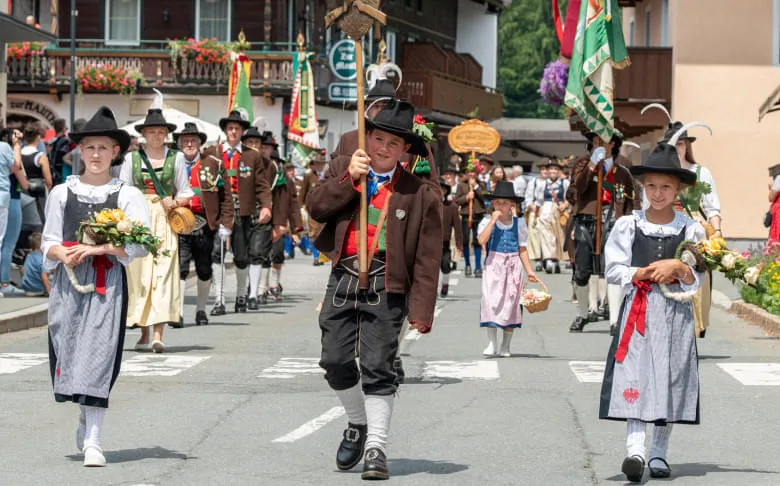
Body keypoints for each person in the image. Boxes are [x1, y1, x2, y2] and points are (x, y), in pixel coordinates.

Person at [307, 100, 442, 480]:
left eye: (393, 144)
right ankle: (356, 422)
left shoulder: (420, 193)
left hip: (388, 281)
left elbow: (428, 259)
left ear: (404, 151)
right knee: (334, 361)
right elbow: (316, 209)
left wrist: (421, 312)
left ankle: (376, 447)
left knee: (379, 367)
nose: (383, 148)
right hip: (343, 277)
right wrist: (349, 178)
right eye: (378, 138)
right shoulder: (345, 168)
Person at [43, 106, 150, 467]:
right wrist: (64, 253)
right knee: (69, 350)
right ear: (80, 151)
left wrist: (101, 247)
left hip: (106, 283)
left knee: (99, 355)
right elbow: (48, 242)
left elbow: (138, 245)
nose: (96, 155)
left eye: (103, 148)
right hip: (68, 283)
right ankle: (85, 416)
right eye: (90, 148)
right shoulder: (61, 192)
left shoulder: (127, 195)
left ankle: (94, 439)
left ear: (115, 152)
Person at [599, 129, 705, 483]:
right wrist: (642, 272)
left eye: (666, 188)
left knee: (670, 379)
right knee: (636, 375)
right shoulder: (630, 225)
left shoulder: (691, 230)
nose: (658, 194)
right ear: (643, 189)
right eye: (652, 187)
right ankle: (636, 451)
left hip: (675, 313)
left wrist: (680, 268)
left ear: (678, 191)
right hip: (640, 311)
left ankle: (659, 453)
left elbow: (698, 278)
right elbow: (612, 269)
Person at [119, 109, 193, 352]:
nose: (156, 136)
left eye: (161, 132)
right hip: (139, 219)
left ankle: (158, 333)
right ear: (143, 135)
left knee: (164, 272)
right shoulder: (132, 159)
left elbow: (186, 191)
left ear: (166, 134)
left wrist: (176, 201)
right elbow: (123, 190)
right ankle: (143, 331)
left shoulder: (177, 158)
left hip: (165, 219)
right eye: (152, 132)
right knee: (140, 273)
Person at [201, 112, 273, 315]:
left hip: (242, 211)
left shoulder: (252, 155)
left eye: (237, 129)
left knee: (241, 256)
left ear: (242, 131)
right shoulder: (212, 153)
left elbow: (262, 185)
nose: (233, 132)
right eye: (230, 128)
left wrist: (266, 205)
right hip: (218, 211)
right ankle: (219, 299)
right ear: (225, 130)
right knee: (217, 253)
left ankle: (241, 296)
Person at [570, 131, 636, 333]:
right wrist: (592, 165)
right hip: (586, 220)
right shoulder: (582, 165)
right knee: (582, 272)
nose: (598, 143)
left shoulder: (622, 172)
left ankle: (615, 320)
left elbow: (630, 203)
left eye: (603, 140)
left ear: (613, 143)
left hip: (613, 222)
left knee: (613, 269)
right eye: (595, 139)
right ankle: (582, 313)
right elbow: (577, 189)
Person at [663, 121, 722, 339]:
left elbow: (711, 205)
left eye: (680, 143)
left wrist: (717, 232)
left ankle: (692, 328)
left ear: (687, 146)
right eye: (672, 144)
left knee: (693, 278)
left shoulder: (700, 172)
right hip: (666, 227)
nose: (677, 148)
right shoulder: (662, 173)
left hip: (694, 230)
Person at [175, 122, 234, 326]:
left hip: (205, 223)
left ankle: (200, 310)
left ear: (200, 143)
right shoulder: (172, 163)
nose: (189, 143)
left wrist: (226, 223)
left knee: (204, 269)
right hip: (179, 222)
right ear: (180, 143)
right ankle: (178, 312)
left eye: (193, 140)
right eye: (185, 140)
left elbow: (226, 196)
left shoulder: (214, 164)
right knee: (180, 268)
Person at [477, 181, 539, 357]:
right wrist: (493, 220)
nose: (500, 206)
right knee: (490, 301)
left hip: (512, 265)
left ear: (512, 204)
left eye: (504, 202)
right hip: (494, 264)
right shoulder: (487, 221)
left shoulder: (519, 223)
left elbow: (522, 249)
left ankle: (506, 345)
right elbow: (482, 240)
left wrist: (530, 271)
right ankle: (491, 343)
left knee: (511, 304)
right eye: (497, 202)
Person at [0, 128, 29, 296]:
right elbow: (22, 179)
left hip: (8, 199)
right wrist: (16, 145)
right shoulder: (6, 151)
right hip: (10, 199)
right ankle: (4, 282)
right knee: (7, 243)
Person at [534, 159, 569, 274]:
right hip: (546, 211)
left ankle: (556, 260)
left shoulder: (564, 183)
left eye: (555, 169)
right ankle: (548, 259)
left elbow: (569, 197)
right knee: (546, 235)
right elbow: (538, 201)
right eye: (551, 169)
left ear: (559, 171)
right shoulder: (542, 184)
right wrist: (535, 216)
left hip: (559, 211)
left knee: (558, 236)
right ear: (547, 171)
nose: (553, 171)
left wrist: (565, 204)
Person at [454, 164, 488, 277]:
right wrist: (466, 197)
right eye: (469, 172)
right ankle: (467, 265)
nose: (471, 174)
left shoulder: (481, 184)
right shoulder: (461, 185)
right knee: (465, 240)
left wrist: (476, 187)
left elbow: (486, 197)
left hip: (478, 215)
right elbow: (457, 200)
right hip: (465, 215)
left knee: (477, 241)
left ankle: (478, 267)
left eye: (473, 172)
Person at [299, 150, 328, 266]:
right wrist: (300, 206)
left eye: (321, 164)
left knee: (323, 233)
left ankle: (321, 255)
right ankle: (316, 257)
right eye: (317, 164)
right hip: (312, 209)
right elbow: (302, 192)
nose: (319, 166)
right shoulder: (308, 176)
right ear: (314, 165)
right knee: (314, 232)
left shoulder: (328, 175)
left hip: (326, 210)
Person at [21, 123, 54, 225]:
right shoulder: (40, 156)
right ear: (38, 137)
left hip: (23, 192)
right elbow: (49, 181)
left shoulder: (19, 154)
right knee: (41, 221)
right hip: (39, 194)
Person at [439, 178, 462, 297]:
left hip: (444, 242)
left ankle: (445, 284)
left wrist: (459, 244)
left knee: (445, 264)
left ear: (445, 191)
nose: (439, 192)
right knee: (429, 268)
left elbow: (457, 227)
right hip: (428, 242)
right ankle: (430, 288)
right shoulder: (426, 205)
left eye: (442, 189)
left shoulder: (451, 207)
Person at [49, 118, 71, 184]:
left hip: (52, 172)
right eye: (66, 127)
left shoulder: (51, 141)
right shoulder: (65, 140)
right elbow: (63, 155)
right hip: (61, 172)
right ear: (63, 129)